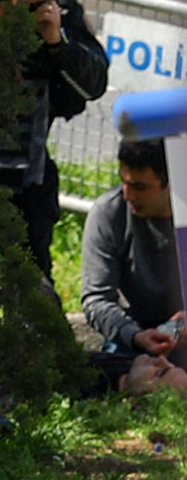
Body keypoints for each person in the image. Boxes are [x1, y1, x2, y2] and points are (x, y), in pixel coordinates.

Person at [0, 0, 108, 288]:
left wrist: (57, 42)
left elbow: (94, 84)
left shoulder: (57, 10)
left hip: (25, 173)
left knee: (30, 280)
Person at [80, 138, 184, 369]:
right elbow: (96, 298)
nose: (128, 196)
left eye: (140, 187)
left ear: (171, 182)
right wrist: (136, 336)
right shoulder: (109, 213)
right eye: (123, 182)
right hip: (132, 333)